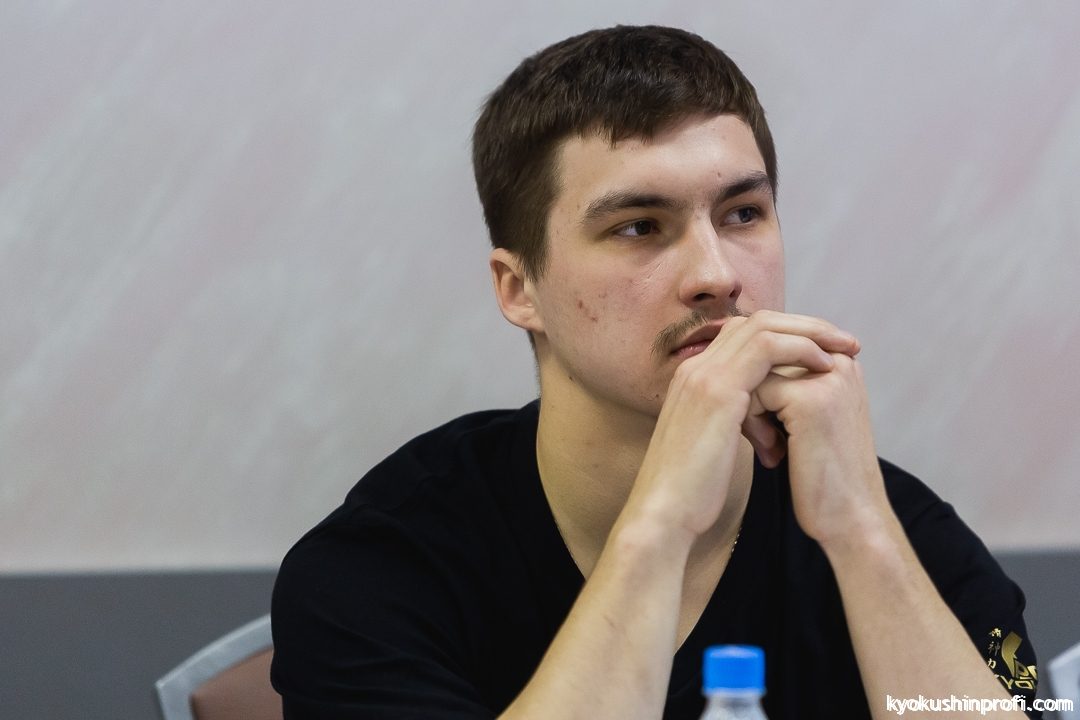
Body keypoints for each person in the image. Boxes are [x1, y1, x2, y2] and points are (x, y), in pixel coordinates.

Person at [271, 25, 1040, 719]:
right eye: (640, 227)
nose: (716, 275)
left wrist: (862, 535)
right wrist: (663, 520)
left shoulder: (898, 532)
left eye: (743, 214)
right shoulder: (379, 569)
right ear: (519, 288)